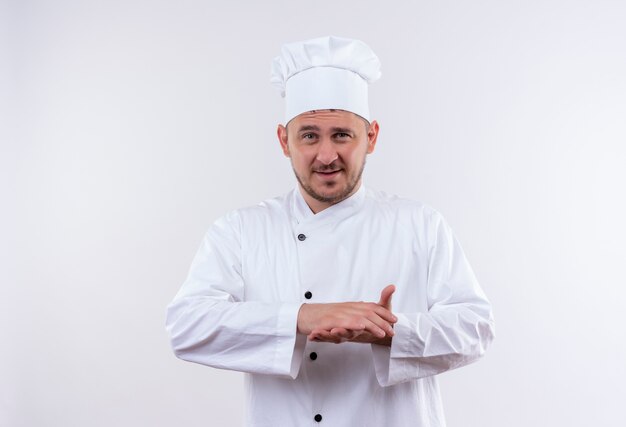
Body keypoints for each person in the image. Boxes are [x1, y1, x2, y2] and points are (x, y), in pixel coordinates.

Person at [166, 36, 495, 427]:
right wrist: (302, 318)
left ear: (371, 137)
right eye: (309, 135)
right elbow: (186, 326)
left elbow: (476, 328)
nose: (326, 155)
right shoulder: (240, 230)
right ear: (283, 140)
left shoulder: (419, 224)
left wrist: (390, 332)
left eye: (342, 134)